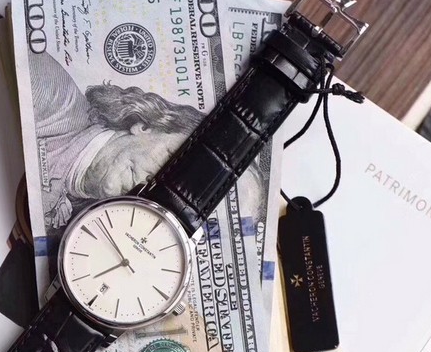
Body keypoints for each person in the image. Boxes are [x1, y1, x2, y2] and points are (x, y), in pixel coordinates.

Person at [29, 52, 263, 229]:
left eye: (190, 207)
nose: (159, 185)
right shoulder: (49, 94)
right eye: (175, 162)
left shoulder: (70, 232)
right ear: (146, 125)